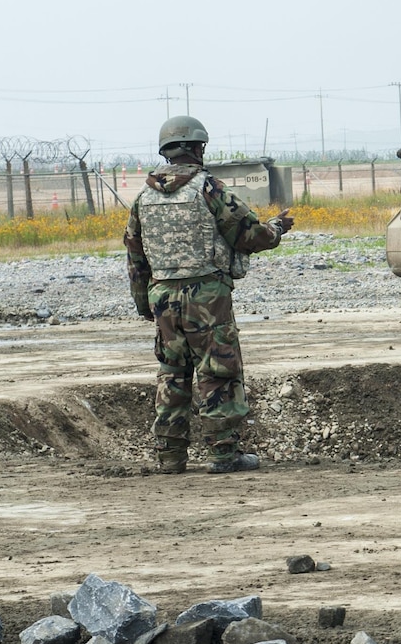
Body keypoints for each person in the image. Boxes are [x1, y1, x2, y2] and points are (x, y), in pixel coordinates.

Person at [123, 116, 293, 474]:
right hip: (207, 296)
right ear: (198, 148)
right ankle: (223, 454)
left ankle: (169, 457)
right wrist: (276, 228)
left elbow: (135, 256)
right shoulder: (208, 188)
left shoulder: (142, 197)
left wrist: (144, 304)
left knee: (172, 373)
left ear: (166, 152)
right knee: (218, 370)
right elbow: (248, 235)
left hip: (163, 298)